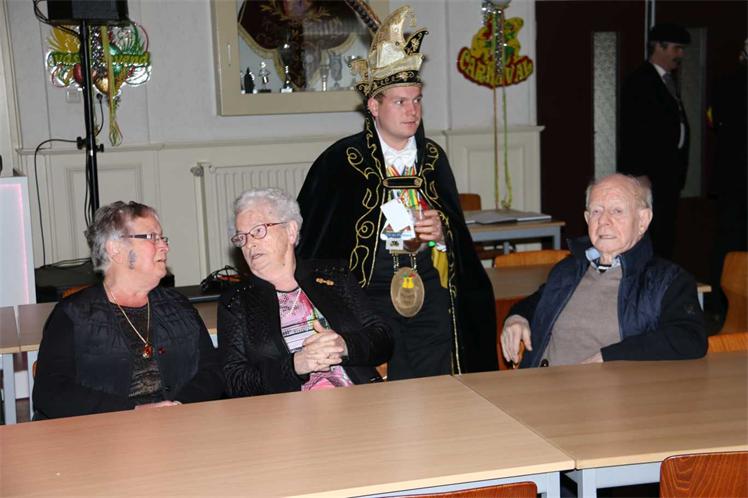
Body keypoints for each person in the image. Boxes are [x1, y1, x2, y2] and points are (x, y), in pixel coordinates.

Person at [296, 7, 497, 380]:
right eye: (400, 101)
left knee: (438, 375)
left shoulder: (432, 158)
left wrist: (442, 236)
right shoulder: (342, 161)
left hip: (428, 288)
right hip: (366, 296)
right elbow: (316, 240)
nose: (412, 110)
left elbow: (457, 241)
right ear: (374, 106)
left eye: (417, 100)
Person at [33, 201, 224, 419]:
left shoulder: (178, 306)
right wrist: (132, 412)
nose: (164, 246)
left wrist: (179, 406)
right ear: (115, 249)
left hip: (178, 425)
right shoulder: (73, 314)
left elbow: (212, 370)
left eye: (163, 238)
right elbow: (50, 392)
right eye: (152, 237)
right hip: (104, 431)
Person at [500, 174, 707, 368]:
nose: (604, 220)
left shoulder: (666, 280)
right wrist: (517, 317)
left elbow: (690, 337)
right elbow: (538, 302)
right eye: (596, 211)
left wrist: (611, 357)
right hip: (542, 383)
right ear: (587, 218)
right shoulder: (569, 269)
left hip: (614, 390)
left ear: (643, 220)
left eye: (617, 211)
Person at [218, 188, 393, 396]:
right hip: (285, 410)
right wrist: (295, 366)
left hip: (356, 398)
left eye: (258, 231)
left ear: (291, 231)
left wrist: (344, 345)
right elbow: (234, 381)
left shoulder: (334, 275)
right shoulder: (236, 301)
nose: (250, 244)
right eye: (242, 237)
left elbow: (383, 338)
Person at [618, 23, 691, 259]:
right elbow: (632, 130)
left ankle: (663, 275)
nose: (680, 55)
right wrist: (639, 173)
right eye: (676, 48)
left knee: (666, 232)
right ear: (659, 47)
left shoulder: (667, 80)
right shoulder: (640, 81)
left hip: (668, 172)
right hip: (648, 175)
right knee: (651, 234)